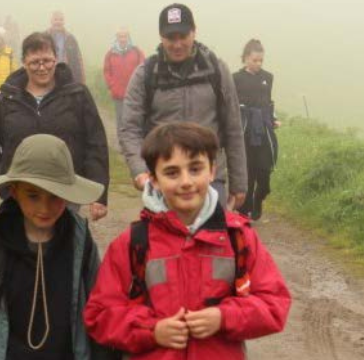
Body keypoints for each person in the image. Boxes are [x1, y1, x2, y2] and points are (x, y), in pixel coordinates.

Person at [83, 122, 291, 360]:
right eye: (172, 172)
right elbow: (99, 315)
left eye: (195, 169)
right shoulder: (132, 243)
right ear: (154, 179)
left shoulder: (238, 237)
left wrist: (224, 318)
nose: (185, 182)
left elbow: (275, 303)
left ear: (212, 171)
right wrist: (151, 330)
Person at [0, 134, 111, 360]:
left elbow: (101, 309)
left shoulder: (81, 245)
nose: (45, 208)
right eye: (33, 195)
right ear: (14, 191)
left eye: (55, 197)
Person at [117, 3, 247, 210]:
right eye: (171, 38)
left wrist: (239, 183)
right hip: (164, 180)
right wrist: (140, 171)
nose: (177, 44)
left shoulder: (216, 70)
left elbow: (233, 128)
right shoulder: (145, 75)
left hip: (210, 180)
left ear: (194, 33)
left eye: (183, 36)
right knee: (164, 242)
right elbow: (129, 129)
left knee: (213, 241)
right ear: (161, 37)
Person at [0, 32, 109, 222]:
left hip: (64, 192)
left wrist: (99, 194)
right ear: (24, 62)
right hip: (18, 192)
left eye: (47, 61)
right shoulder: (7, 96)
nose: (42, 67)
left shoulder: (77, 94)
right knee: (18, 246)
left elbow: (96, 145)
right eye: (35, 62)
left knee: (62, 246)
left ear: (56, 59)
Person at [233, 39, 279, 221]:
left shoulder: (268, 77)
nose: (258, 64)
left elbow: (268, 103)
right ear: (245, 59)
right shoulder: (235, 78)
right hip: (244, 131)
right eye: (255, 60)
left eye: (261, 60)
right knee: (248, 171)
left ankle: (259, 198)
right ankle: (245, 209)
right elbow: (231, 106)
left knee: (264, 172)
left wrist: (273, 118)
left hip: (264, 131)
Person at [102, 26, 145, 124]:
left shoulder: (137, 51)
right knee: (120, 120)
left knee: (135, 120)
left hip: (135, 93)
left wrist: (140, 86)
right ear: (116, 38)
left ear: (128, 37)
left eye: (124, 36)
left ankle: (134, 139)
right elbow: (106, 71)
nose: (122, 39)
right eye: (120, 36)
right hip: (118, 94)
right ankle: (121, 139)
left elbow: (143, 69)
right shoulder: (110, 53)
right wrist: (111, 86)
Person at [46, 10, 85, 84]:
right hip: (48, 74)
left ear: (64, 22)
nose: (58, 22)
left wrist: (81, 81)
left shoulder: (70, 38)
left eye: (61, 19)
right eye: (56, 19)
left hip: (67, 75)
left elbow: (78, 60)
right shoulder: (44, 37)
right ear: (51, 21)